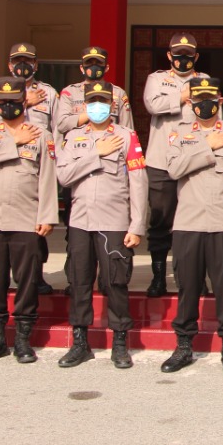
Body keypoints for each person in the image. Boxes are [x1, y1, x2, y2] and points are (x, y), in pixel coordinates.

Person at [161, 78, 223, 375]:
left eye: (210, 98)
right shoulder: (178, 133)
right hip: (188, 222)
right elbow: (173, 169)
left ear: (220, 100)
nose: (204, 104)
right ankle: (183, 346)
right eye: (198, 99)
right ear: (190, 102)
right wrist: (207, 146)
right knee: (187, 286)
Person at [54, 82, 148, 369]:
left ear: (112, 105)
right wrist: (96, 153)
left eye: (103, 101)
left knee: (116, 282)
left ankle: (119, 342)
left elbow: (138, 182)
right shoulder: (72, 137)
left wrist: (137, 225)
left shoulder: (126, 136)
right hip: (80, 221)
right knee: (79, 281)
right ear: (84, 106)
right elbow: (64, 176)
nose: (98, 106)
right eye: (93, 101)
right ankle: (80, 342)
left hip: (114, 221)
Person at [0, 77, 58, 365]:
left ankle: (22, 340)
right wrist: (13, 141)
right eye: (3, 102)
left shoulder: (41, 133)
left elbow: (48, 177)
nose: (8, 106)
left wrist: (47, 215)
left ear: (23, 102)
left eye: (13, 102)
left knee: (27, 282)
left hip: (26, 219)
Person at [0, 42, 59, 294]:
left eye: (28, 61)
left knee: (35, 224)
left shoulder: (48, 92)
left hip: (35, 160)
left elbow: (57, 127)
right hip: (2, 158)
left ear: (36, 64)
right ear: (10, 65)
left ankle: (36, 275)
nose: (23, 65)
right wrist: (24, 102)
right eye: (18, 61)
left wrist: (54, 157)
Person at [142, 32, 211, 297]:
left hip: (194, 160)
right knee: (160, 221)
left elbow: (212, 116)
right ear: (169, 55)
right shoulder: (156, 79)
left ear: (196, 56)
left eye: (188, 55)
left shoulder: (204, 80)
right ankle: (159, 277)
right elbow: (152, 105)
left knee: (194, 223)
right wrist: (182, 96)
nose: (183, 59)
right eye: (178, 54)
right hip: (161, 161)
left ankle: (194, 278)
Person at [56, 46, 134, 134]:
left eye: (98, 63)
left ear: (106, 67)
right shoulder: (70, 92)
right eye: (89, 63)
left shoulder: (118, 93)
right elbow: (61, 125)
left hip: (110, 140)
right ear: (82, 68)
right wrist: (93, 113)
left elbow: (127, 129)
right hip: (78, 141)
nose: (93, 66)